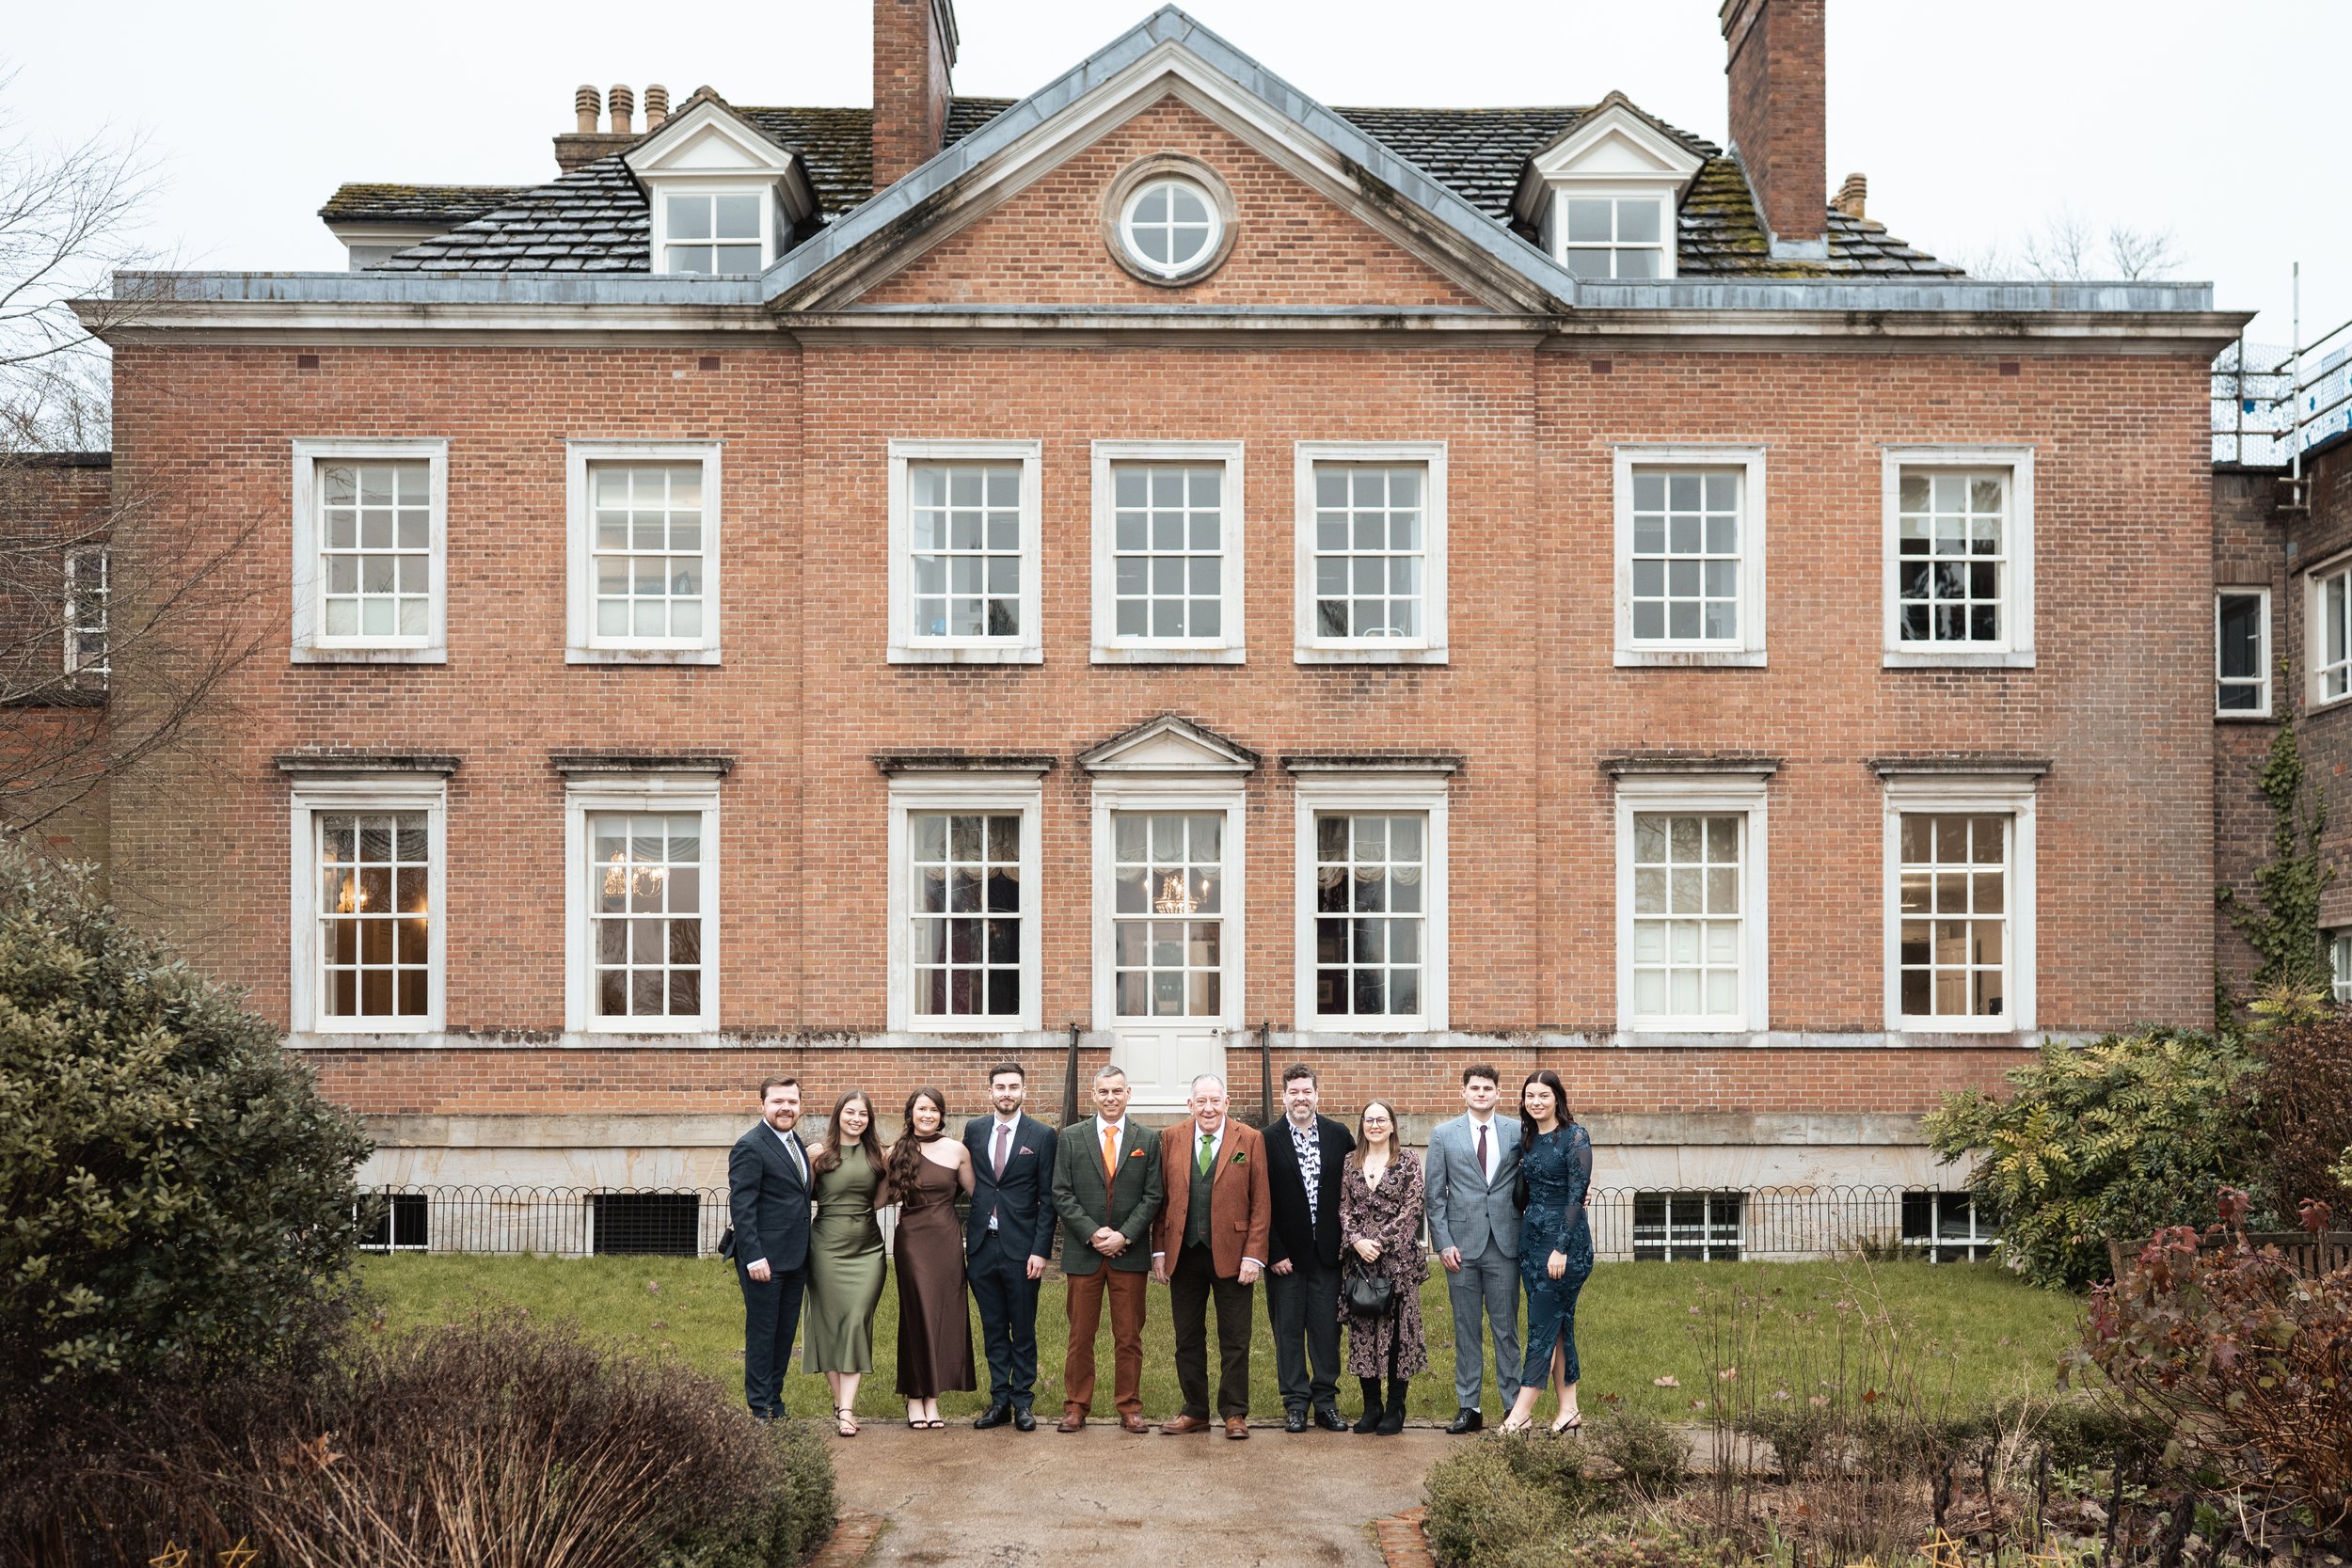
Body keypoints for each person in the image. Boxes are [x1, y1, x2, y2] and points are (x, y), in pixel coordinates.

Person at [1150, 1073, 1271, 1440]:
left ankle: (1235, 1413)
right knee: (1187, 1337)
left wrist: (1254, 1255)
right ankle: (1195, 1410)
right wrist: (1158, 1249)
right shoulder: (1171, 1138)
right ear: (1190, 1105)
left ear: (1227, 1102)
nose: (1208, 1108)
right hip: (1183, 1254)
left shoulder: (1249, 1139)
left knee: (1235, 1338)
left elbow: (1262, 1204)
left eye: (1215, 1101)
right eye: (1201, 1101)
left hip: (1233, 1257)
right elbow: (1161, 1199)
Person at [1049, 1064, 1165, 1433]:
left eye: (1117, 1091)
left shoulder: (1147, 1139)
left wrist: (1125, 1235)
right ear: (1093, 1095)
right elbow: (1061, 1193)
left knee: (1129, 1335)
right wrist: (1093, 1232)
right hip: (1084, 1253)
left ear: (1128, 1094)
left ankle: (1129, 1405)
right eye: (1104, 1092)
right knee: (1080, 1335)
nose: (1110, 1098)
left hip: (1128, 1255)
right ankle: (1076, 1406)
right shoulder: (1070, 1137)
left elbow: (1153, 1196)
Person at [1422, 1062, 1523, 1433]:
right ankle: (1470, 1406)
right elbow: (1434, 1196)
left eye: (1488, 1088)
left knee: (1506, 1329)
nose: (1481, 1094)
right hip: (1460, 1249)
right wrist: (1443, 1243)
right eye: (1475, 1088)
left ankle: (1514, 1406)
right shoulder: (1443, 1135)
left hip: (1504, 1244)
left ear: (1498, 1092)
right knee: (1466, 1329)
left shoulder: (1517, 1131)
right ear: (1463, 1092)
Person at [962, 1060, 1058, 1432]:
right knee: (992, 1327)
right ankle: (998, 1399)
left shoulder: (1041, 1135)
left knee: (1023, 1326)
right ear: (990, 1092)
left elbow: (1048, 1199)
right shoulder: (974, 1130)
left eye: (1013, 1087)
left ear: (1024, 1091)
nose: (1007, 1093)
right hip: (983, 1247)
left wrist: (1041, 1249)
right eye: (1000, 1087)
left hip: (1022, 1249)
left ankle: (1023, 1401)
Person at [1499, 1069, 1594, 1436]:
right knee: (1557, 1325)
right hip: (1531, 1242)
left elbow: (1576, 1195)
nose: (1536, 1102)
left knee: (1541, 1325)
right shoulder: (1526, 1139)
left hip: (1563, 1248)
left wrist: (1561, 1249)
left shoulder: (1575, 1137)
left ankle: (1520, 1414)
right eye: (1530, 1096)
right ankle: (1568, 1408)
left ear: (1557, 1098)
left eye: (1543, 1095)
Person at [1262, 1062, 1356, 1433]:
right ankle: (1296, 1403)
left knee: (1326, 1330)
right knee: (1287, 1331)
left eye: (1307, 1091)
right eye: (1293, 1092)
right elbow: (1259, 1201)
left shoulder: (1338, 1135)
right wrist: (1273, 1251)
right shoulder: (1266, 1139)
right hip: (1285, 1256)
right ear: (1283, 1096)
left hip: (1328, 1255)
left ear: (1317, 1094)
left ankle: (1325, 1401)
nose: (1301, 1098)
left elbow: (1353, 1192)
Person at [1338, 1098, 1429, 1436]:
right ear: (1362, 1126)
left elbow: (1412, 1210)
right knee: (1364, 1332)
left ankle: (1395, 1407)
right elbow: (1343, 1209)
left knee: (1397, 1335)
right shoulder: (1350, 1162)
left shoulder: (1407, 1161)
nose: (1374, 1125)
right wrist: (1358, 1241)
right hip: (1360, 1264)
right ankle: (1371, 1406)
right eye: (1368, 1120)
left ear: (1392, 1125)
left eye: (1381, 1119)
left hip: (1397, 1263)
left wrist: (1379, 1242)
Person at [887, 1086, 976, 1428]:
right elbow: (879, 1195)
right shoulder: (897, 1151)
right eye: (921, 1109)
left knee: (943, 1316)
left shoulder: (957, 1151)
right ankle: (914, 1399)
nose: (928, 1115)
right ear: (911, 1112)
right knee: (917, 1315)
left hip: (947, 1241)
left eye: (934, 1109)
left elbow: (979, 1194)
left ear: (941, 1114)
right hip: (912, 1242)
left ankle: (933, 1399)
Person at [803, 1087, 888, 1438]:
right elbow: (802, 1196)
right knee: (828, 1326)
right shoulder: (817, 1155)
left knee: (855, 1322)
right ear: (838, 1115)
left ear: (869, 1120)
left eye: (863, 1114)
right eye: (850, 1112)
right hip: (824, 1249)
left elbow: (880, 1200)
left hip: (867, 1249)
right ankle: (843, 1408)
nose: (856, 1119)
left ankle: (846, 1409)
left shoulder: (878, 1157)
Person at [727, 1076, 813, 1421]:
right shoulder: (751, 1146)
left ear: (800, 1106)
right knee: (763, 1334)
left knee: (783, 1334)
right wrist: (754, 1257)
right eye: (778, 1101)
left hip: (795, 1258)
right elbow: (742, 1207)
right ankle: (759, 1406)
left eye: (792, 1102)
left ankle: (775, 1401)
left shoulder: (797, 1144)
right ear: (762, 1103)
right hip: (763, 1260)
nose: (786, 1108)